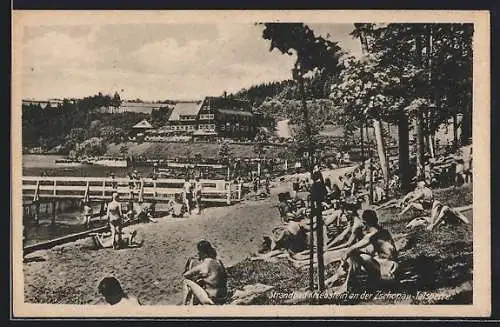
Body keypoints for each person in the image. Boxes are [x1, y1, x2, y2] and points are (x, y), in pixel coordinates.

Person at [327, 209, 398, 292]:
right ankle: (337, 280)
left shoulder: (372, 235)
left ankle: (347, 286)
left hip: (387, 271)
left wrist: (343, 262)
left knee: (354, 254)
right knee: (358, 255)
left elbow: (351, 249)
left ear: (364, 223)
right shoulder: (384, 232)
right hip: (393, 267)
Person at [182, 240, 228, 305]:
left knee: (185, 281)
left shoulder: (204, 264)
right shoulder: (219, 262)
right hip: (223, 297)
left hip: (211, 299)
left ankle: (184, 305)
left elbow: (185, 275)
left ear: (202, 253)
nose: (198, 254)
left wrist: (197, 277)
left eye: (199, 252)